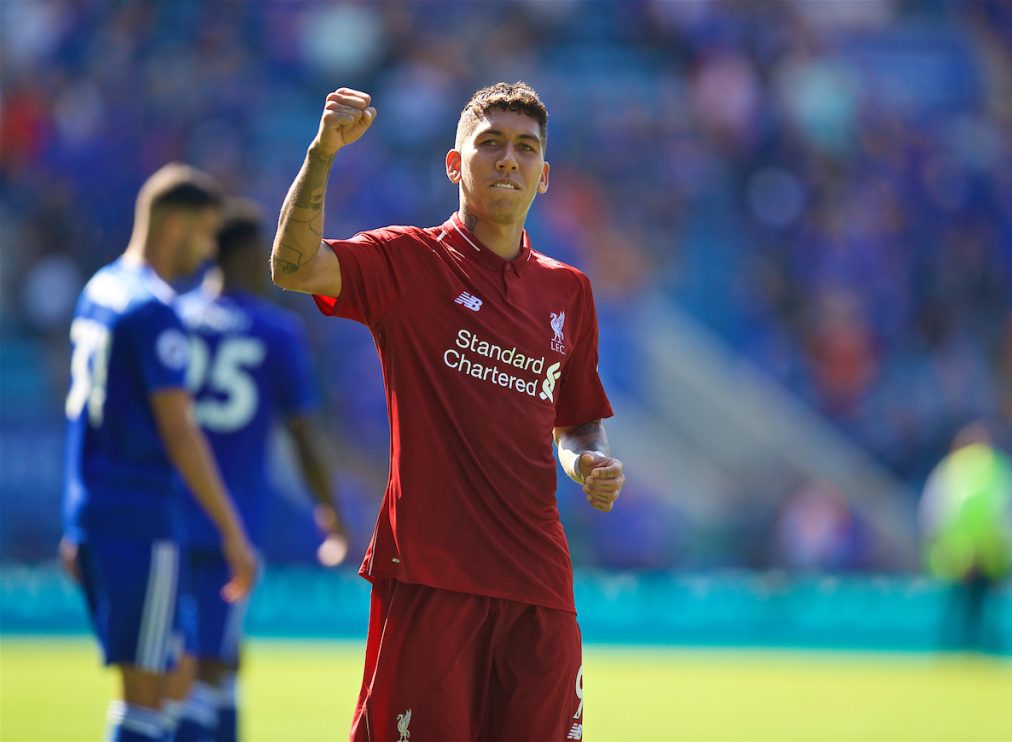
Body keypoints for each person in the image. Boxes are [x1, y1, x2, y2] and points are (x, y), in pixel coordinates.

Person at [270, 82, 626, 741]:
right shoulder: (408, 261)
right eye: (489, 144)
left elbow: (575, 419)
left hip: (540, 586)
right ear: (454, 164)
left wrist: (586, 460)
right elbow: (293, 267)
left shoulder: (568, 290)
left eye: (525, 149)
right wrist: (323, 152)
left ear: (544, 176)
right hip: (431, 576)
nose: (507, 160)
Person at [60, 163, 257, 742]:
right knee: (146, 696)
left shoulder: (100, 289)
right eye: (203, 235)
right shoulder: (153, 309)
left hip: (100, 512)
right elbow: (181, 431)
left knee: (174, 678)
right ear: (175, 227)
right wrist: (231, 531)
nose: (206, 253)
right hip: (139, 518)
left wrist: (74, 521)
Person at [174, 200, 350, 741]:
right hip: (231, 517)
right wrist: (331, 512)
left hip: (165, 513)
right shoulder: (275, 332)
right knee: (214, 665)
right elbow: (303, 435)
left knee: (174, 661)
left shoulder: (172, 319)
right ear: (252, 254)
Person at [918, 422, 1012, 653]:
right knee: (987, 614)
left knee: (956, 614)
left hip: (955, 554)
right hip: (993, 554)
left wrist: (937, 547)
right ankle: (986, 654)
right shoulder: (999, 469)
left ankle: (952, 655)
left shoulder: (949, 469)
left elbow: (932, 512)